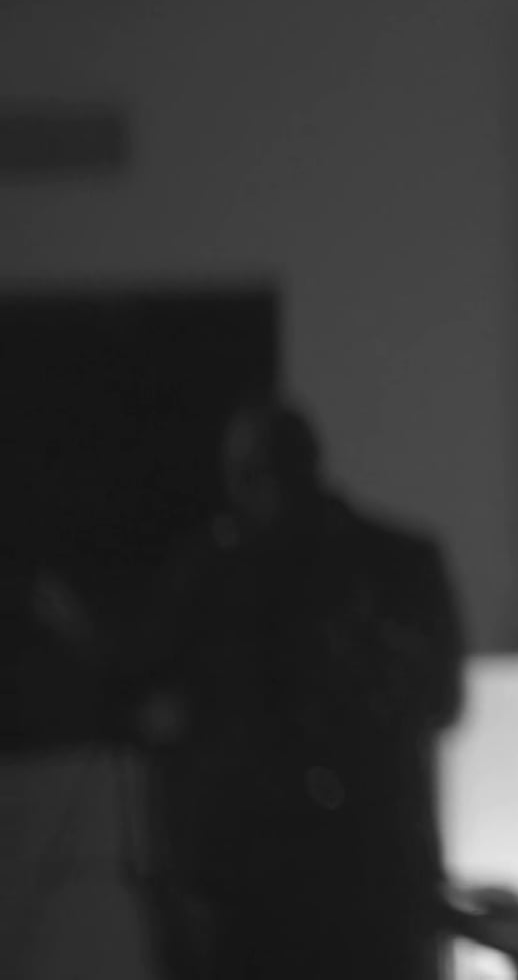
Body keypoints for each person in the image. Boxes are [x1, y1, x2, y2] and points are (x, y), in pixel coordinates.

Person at [122, 398, 466, 979]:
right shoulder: (402, 561)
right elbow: (441, 701)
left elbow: (149, 696)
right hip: (368, 872)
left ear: (245, 478)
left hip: (268, 884)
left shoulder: (212, 577)